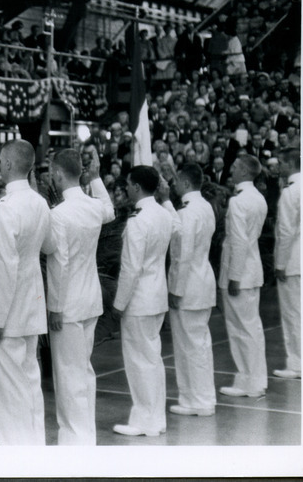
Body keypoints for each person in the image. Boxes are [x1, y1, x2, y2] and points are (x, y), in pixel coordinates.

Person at [0, 139, 55, 445]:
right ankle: (35, 451)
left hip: (7, 313)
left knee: (9, 394)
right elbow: (50, 246)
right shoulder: (39, 202)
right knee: (29, 385)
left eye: (1, 162)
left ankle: (17, 460)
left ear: (9, 165)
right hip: (31, 306)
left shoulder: (7, 207)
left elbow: (5, 266)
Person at [46, 146, 114, 445]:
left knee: (69, 375)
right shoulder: (93, 207)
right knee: (83, 372)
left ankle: (74, 440)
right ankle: (85, 436)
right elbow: (109, 209)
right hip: (90, 299)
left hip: (69, 304)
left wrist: (56, 306)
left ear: (58, 175)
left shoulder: (58, 214)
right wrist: (96, 179)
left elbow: (59, 262)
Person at [111, 166, 179, 437]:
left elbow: (131, 268)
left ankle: (144, 420)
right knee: (152, 360)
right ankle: (155, 418)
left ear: (137, 187)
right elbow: (179, 226)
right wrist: (166, 198)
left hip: (139, 300)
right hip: (156, 297)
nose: (126, 188)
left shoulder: (138, 220)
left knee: (140, 362)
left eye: (128, 184)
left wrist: (118, 304)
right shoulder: (163, 213)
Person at [167, 164, 218, 417]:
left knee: (190, 346)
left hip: (188, 285)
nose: (174, 184)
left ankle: (197, 400)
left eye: (177, 180)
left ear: (186, 184)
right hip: (202, 280)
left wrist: (175, 289)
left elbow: (182, 256)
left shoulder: (187, 212)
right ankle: (200, 397)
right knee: (199, 344)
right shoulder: (205, 205)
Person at [218, 154, 269, 398]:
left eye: (237, 167)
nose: (232, 169)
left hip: (240, 271)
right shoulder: (257, 197)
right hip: (252, 269)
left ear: (247, 173)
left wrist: (234, 276)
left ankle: (249, 382)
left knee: (241, 329)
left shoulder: (239, 201)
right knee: (251, 328)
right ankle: (253, 380)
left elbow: (238, 240)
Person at [272, 148, 301, 379]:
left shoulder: (290, 191)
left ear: (290, 164)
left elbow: (285, 230)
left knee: (293, 314)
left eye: (281, 163)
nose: (278, 166)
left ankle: (298, 363)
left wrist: (280, 263)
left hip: (292, 259)